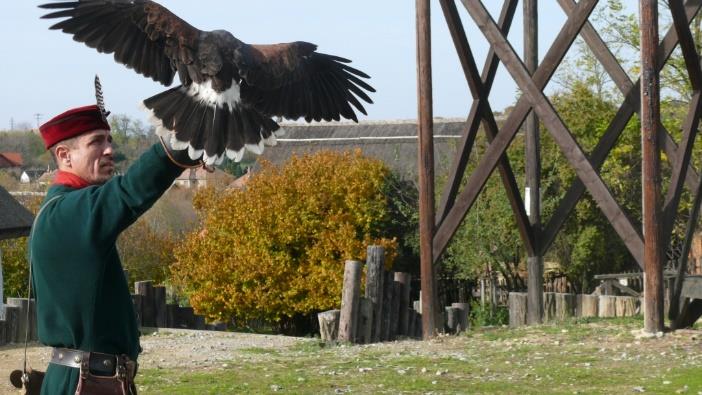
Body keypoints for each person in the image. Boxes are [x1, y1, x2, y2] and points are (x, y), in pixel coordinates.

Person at [30, 103, 201, 394]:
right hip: (86, 384)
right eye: (96, 142)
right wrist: (182, 141)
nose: (109, 150)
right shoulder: (67, 214)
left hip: (94, 379)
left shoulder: (68, 210)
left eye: (109, 140)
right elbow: (129, 191)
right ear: (64, 155)